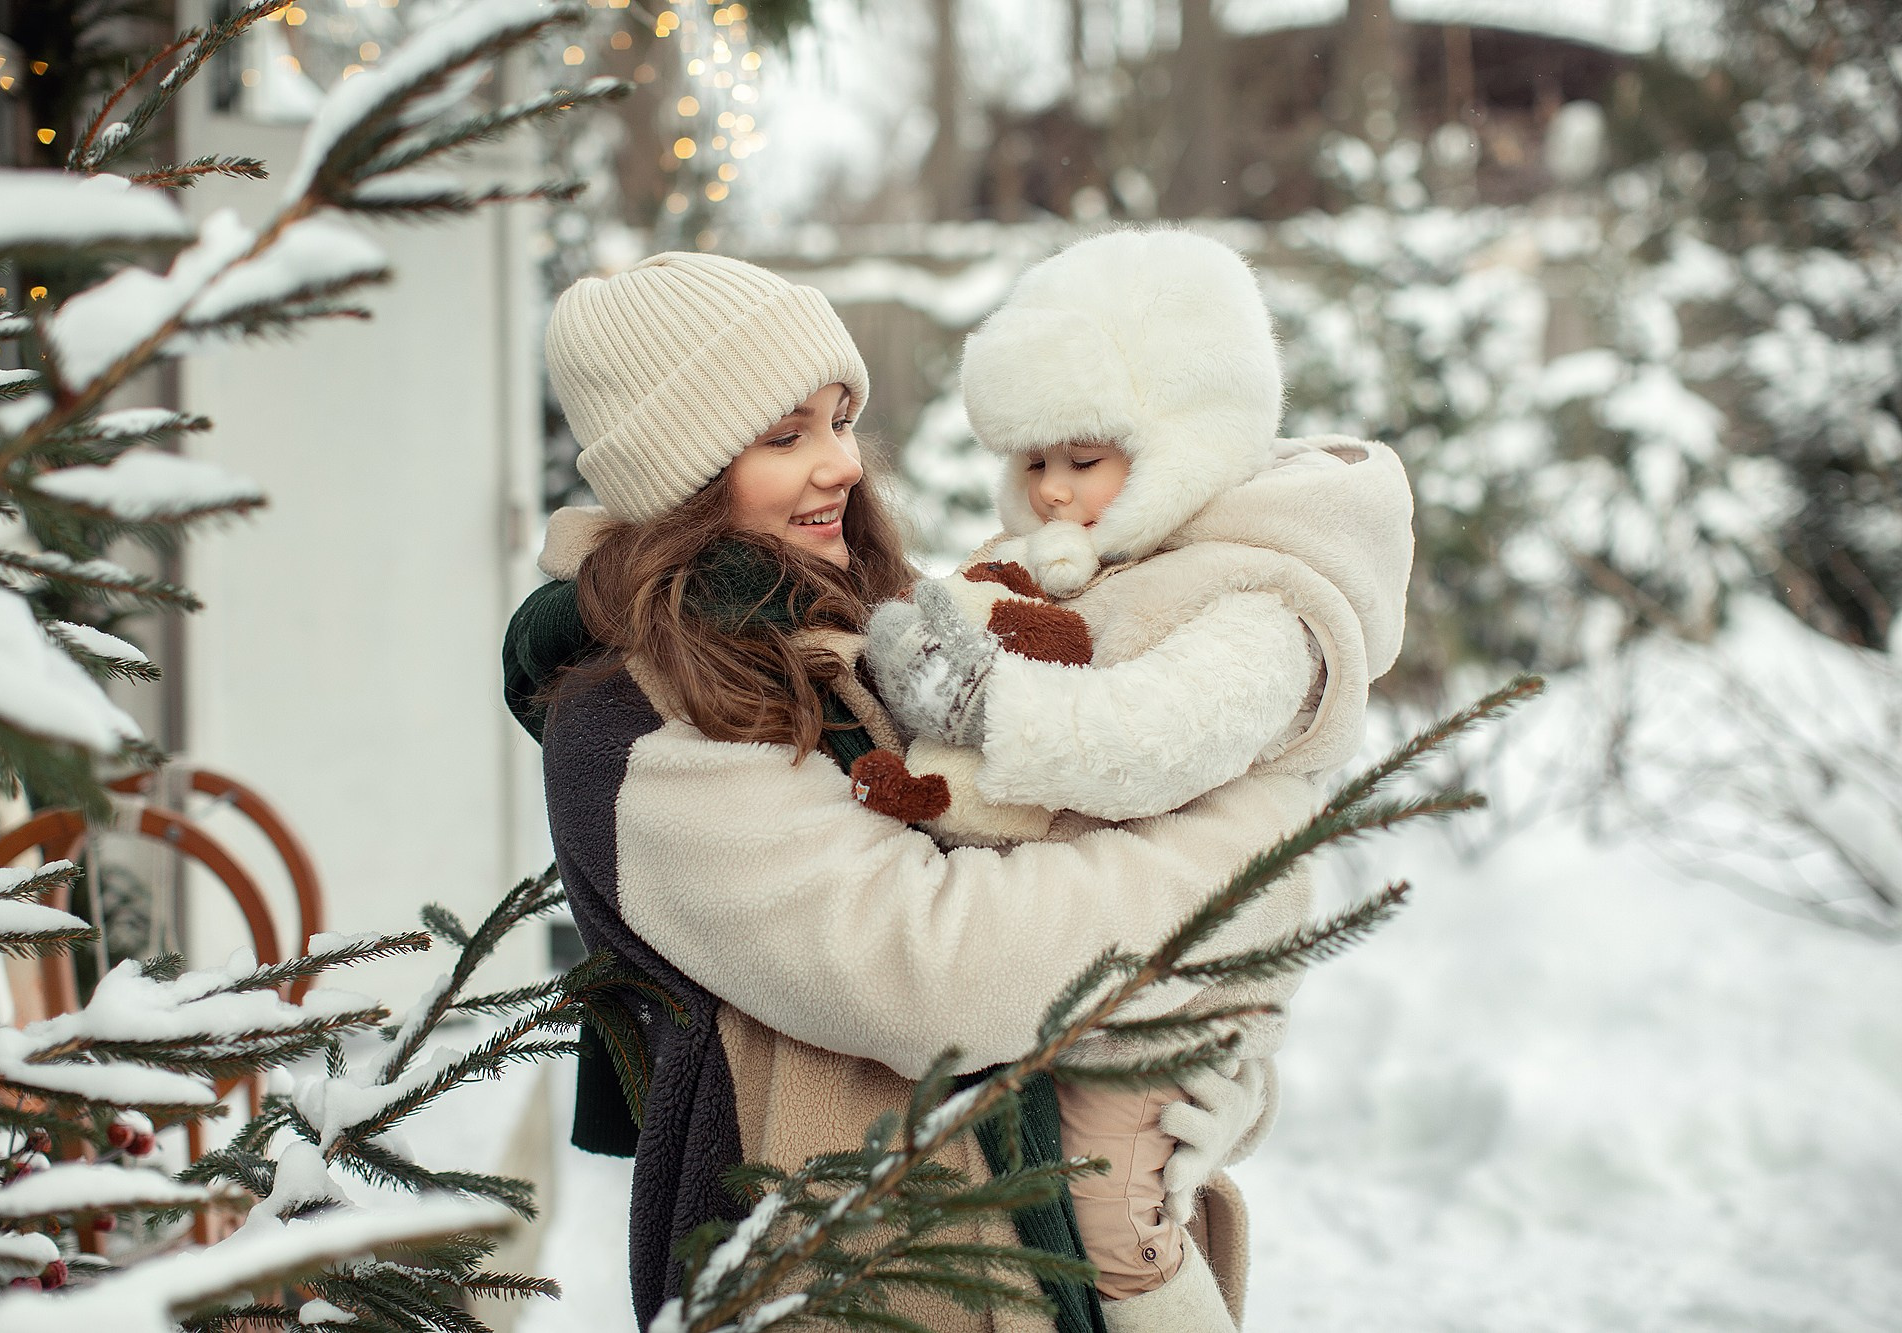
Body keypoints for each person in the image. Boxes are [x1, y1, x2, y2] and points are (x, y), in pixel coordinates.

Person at [502, 251, 1318, 1333]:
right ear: (678, 473)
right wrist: (1246, 860)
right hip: (862, 1282)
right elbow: (937, 966)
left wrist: (1195, 1097)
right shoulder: (630, 718)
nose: (841, 462)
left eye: (840, 419)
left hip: (1014, 1244)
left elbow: (1047, 847)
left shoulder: (851, 626)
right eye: (783, 435)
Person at [859, 228, 1415, 1330]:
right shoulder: (1115, 554)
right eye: (1034, 464)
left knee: (1117, 1225)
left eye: (1086, 457)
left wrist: (982, 706)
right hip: (1093, 973)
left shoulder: (1264, 595)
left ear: (1180, 438)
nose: (1056, 494)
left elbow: (1153, 735)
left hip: (1176, 994)